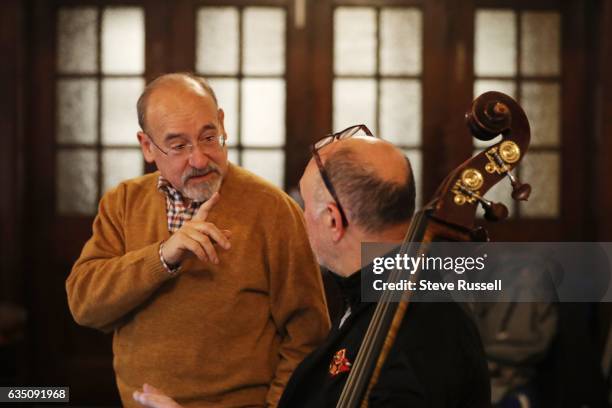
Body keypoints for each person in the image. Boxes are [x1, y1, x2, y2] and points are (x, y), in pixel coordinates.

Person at [133, 125, 491, 408]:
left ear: (334, 221)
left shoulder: (419, 335)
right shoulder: (373, 295)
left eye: (304, 204)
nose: (301, 218)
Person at [66, 73, 330, 408]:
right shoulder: (123, 203)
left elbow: (308, 336)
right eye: (179, 146)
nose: (200, 159)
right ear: (148, 146)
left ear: (222, 123)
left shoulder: (273, 210)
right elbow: (84, 305)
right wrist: (163, 256)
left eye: (209, 137)